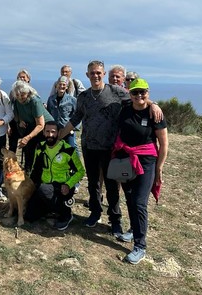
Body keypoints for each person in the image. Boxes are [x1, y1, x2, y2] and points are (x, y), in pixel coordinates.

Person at [59, 61, 162, 234]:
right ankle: (95, 212)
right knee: (93, 184)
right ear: (87, 75)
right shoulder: (83, 97)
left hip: (110, 148)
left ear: (103, 73)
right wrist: (60, 135)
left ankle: (115, 220)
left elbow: (136, 96)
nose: (96, 76)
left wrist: (154, 104)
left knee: (112, 186)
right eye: (92, 73)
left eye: (98, 72)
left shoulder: (115, 91)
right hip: (89, 145)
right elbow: (76, 118)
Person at [112, 79, 168, 264]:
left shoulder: (155, 114)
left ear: (148, 92)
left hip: (146, 161)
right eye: (135, 92)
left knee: (139, 202)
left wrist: (159, 167)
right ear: (130, 93)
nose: (139, 96)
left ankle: (140, 246)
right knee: (128, 196)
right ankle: (133, 231)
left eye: (142, 92)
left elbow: (164, 143)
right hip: (126, 158)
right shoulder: (126, 106)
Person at [24, 122, 85, 230]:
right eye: (47, 131)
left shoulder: (68, 149)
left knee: (43, 189)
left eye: (53, 132)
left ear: (58, 133)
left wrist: (68, 184)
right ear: (43, 132)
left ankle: (66, 214)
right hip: (45, 186)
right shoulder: (40, 147)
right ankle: (50, 208)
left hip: (62, 187)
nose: (50, 135)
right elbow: (35, 170)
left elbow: (80, 171)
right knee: (29, 216)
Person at [11, 80, 54, 173]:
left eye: (22, 95)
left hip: (45, 127)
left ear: (27, 92)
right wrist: (19, 121)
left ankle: (42, 175)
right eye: (17, 95)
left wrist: (27, 138)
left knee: (42, 152)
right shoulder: (17, 101)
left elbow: (40, 124)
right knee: (28, 151)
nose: (20, 98)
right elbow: (17, 114)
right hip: (31, 125)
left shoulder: (34, 101)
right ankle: (28, 173)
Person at [46, 76, 78, 148]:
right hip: (54, 132)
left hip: (68, 131)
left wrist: (73, 128)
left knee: (70, 152)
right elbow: (48, 114)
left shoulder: (72, 100)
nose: (62, 86)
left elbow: (78, 115)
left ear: (67, 87)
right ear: (56, 86)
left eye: (64, 85)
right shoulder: (51, 99)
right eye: (60, 84)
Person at [8, 69, 32, 153]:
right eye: (19, 77)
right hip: (15, 121)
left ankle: (27, 165)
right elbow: (10, 107)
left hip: (28, 122)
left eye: (23, 77)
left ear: (28, 79)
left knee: (27, 145)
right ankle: (11, 164)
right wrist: (17, 122)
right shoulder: (12, 92)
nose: (21, 79)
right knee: (12, 145)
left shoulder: (31, 91)